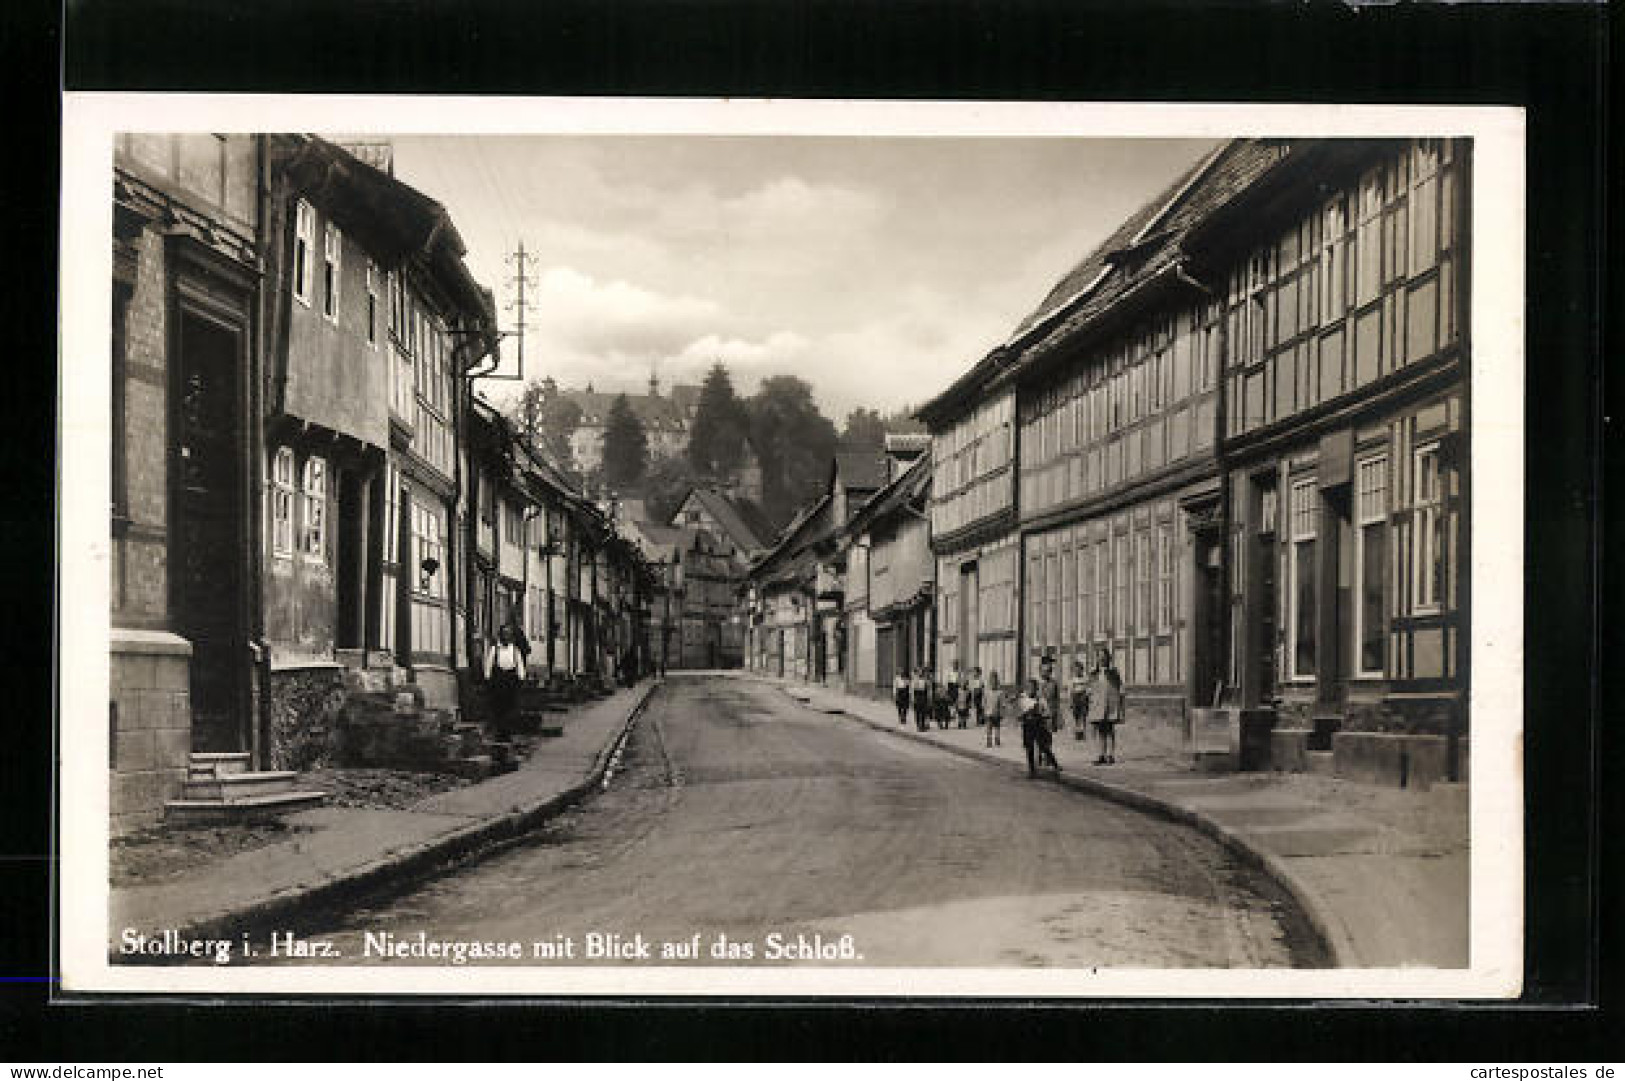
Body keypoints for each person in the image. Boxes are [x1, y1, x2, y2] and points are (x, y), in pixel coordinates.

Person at [483, 622, 528, 741]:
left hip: (511, 679)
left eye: (509, 634)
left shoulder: (515, 650)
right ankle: (499, 728)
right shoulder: (495, 649)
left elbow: (519, 664)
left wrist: (521, 677)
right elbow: (489, 664)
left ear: (511, 636)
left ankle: (507, 729)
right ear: (500, 635)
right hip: (498, 679)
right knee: (498, 705)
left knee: (510, 704)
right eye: (504, 634)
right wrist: (487, 678)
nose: (506, 636)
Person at [1020, 677, 1062, 778]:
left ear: (1036, 689)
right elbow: (1020, 712)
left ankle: (1055, 764)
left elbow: (1047, 712)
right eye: (1028, 688)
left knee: (1043, 746)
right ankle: (1031, 769)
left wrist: (1043, 716)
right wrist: (1023, 715)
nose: (1030, 690)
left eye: (1032, 688)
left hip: (1038, 725)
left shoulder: (1041, 700)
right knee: (1029, 747)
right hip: (1027, 726)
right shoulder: (1023, 699)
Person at [1093, 646, 1125, 765]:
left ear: (1108, 658)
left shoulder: (1113, 671)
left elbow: (1120, 687)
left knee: (1110, 729)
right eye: (1099, 656)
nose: (1101, 659)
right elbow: (1092, 687)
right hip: (1099, 705)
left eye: (1103, 656)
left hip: (1111, 704)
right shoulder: (1095, 672)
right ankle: (1101, 754)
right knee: (1101, 730)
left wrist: (1120, 701)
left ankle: (1111, 755)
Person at [1039, 653, 1063, 734]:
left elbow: (1057, 700)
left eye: (1049, 671)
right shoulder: (1037, 683)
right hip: (1039, 714)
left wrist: (1058, 715)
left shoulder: (1053, 683)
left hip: (1050, 713)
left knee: (1048, 736)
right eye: (1045, 671)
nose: (1048, 672)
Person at [1069, 659, 1092, 741]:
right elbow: (1071, 691)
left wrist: (1087, 696)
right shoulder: (1072, 680)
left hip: (1083, 697)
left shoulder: (1085, 678)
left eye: (1079, 669)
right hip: (1075, 697)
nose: (1077, 671)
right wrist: (1071, 701)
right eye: (1075, 670)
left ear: (1082, 669)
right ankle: (1077, 732)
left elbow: (1089, 688)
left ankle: (1083, 732)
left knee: (1083, 715)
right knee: (1076, 716)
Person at [984, 671, 1006, 748]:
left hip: (997, 713)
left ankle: (997, 739)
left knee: (997, 727)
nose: (993, 683)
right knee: (989, 727)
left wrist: (1002, 713)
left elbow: (1002, 704)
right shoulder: (987, 692)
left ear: (997, 682)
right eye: (991, 681)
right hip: (988, 713)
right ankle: (989, 740)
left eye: (995, 681)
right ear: (989, 682)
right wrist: (984, 710)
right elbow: (984, 702)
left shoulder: (1000, 692)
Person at [911, 667, 932, 732]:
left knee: (923, 711)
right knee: (917, 711)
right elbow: (912, 690)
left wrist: (929, 697)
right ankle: (918, 725)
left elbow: (929, 690)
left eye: (921, 672)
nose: (921, 673)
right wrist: (912, 698)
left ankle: (922, 725)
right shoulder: (914, 680)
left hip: (923, 696)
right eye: (919, 672)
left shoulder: (926, 680)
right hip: (917, 695)